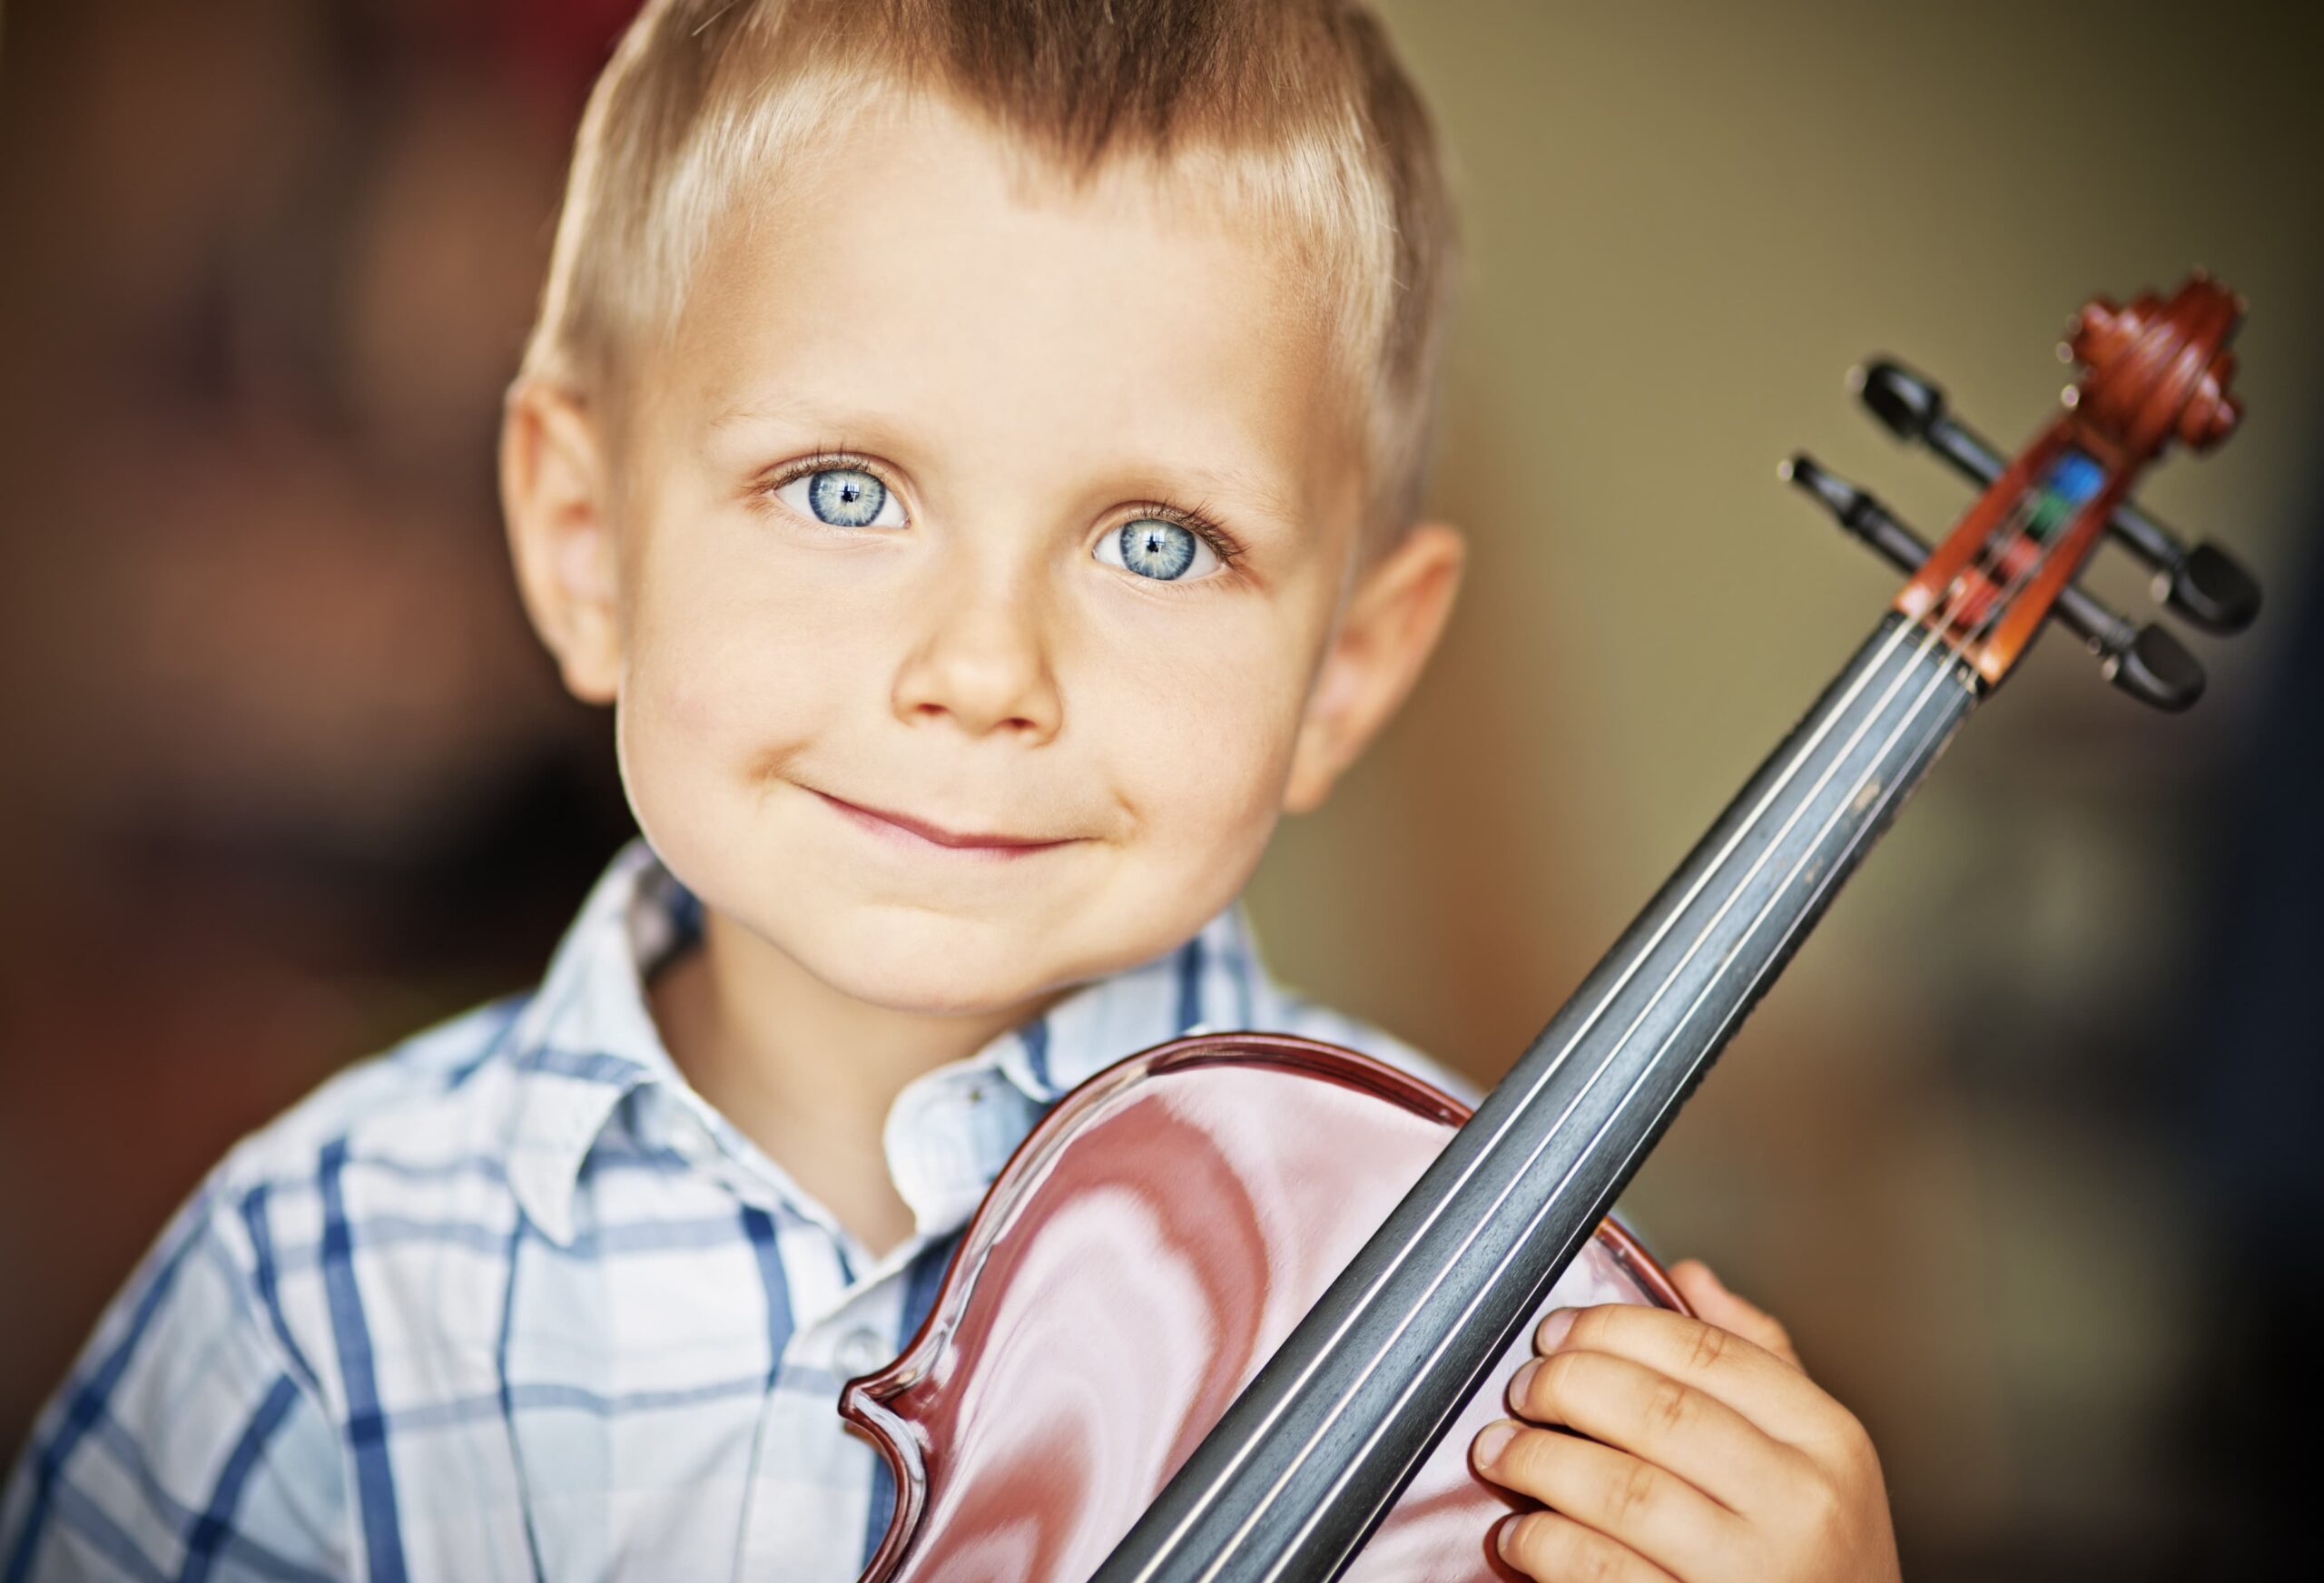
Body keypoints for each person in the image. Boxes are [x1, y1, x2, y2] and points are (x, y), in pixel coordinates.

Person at [0, 3, 1902, 1578]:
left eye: (1156, 542)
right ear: (585, 542)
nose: (984, 667)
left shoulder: (1497, 1334)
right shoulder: (319, 1280)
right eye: (843, 490)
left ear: (1347, 670)